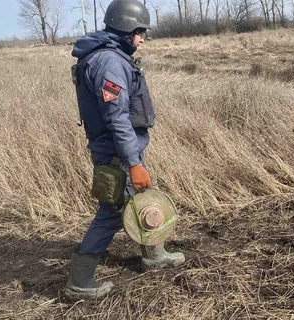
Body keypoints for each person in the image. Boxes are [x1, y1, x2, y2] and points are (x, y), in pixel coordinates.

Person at [64, 0, 185, 301]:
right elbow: (116, 118)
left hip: (121, 149)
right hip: (117, 152)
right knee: (111, 213)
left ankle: (153, 253)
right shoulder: (109, 63)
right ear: (125, 28)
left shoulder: (110, 56)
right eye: (140, 32)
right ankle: (79, 281)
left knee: (139, 197)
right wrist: (133, 162)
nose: (142, 39)